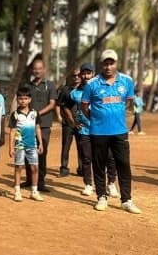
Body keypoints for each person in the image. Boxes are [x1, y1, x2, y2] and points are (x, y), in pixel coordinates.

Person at [81, 49, 141, 214]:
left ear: (116, 63)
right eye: (105, 63)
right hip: (98, 132)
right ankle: (101, 197)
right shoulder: (92, 84)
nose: (108, 67)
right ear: (101, 64)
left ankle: (126, 200)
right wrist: (95, 119)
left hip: (120, 131)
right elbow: (84, 106)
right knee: (99, 166)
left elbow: (128, 102)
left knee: (123, 164)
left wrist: (116, 115)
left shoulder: (127, 81)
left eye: (111, 63)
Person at [63, 63, 119, 197]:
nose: (86, 76)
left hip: (104, 130)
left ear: (93, 74)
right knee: (87, 158)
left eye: (88, 73)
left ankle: (111, 184)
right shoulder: (75, 93)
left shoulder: (101, 88)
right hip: (85, 131)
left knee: (110, 158)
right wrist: (74, 122)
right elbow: (65, 106)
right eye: (84, 73)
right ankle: (88, 184)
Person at [24, 57, 57, 192]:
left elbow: (52, 104)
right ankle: (29, 179)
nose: (37, 71)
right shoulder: (27, 86)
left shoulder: (50, 85)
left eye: (39, 68)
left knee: (41, 152)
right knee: (27, 151)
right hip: (28, 124)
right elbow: (23, 102)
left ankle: (41, 181)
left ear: (44, 70)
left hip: (43, 124)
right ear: (32, 70)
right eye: (35, 68)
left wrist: (37, 113)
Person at [9, 85, 43, 202]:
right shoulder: (15, 115)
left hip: (32, 144)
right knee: (18, 167)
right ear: (17, 100)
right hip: (19, 145)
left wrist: (40, 143)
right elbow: (12, 131)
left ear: (30, 99)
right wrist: (11, 147)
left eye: (25, 98)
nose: (23, 101)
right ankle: (17, 191)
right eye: (20, 98)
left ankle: (34, 191)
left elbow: (37, 128)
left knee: (34, 168)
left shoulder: (35, 113)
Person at [57, 68, 82, 177]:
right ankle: (64, 168)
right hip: (68, 123)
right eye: (74, 76)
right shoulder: (65, 90)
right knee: (66, 146)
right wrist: (58, 116)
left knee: (82, 147)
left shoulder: (86, 89)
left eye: (78, 75)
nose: (76, 78)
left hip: (81, 123)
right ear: (71, 77)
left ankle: (82, 169)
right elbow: (58, 104)